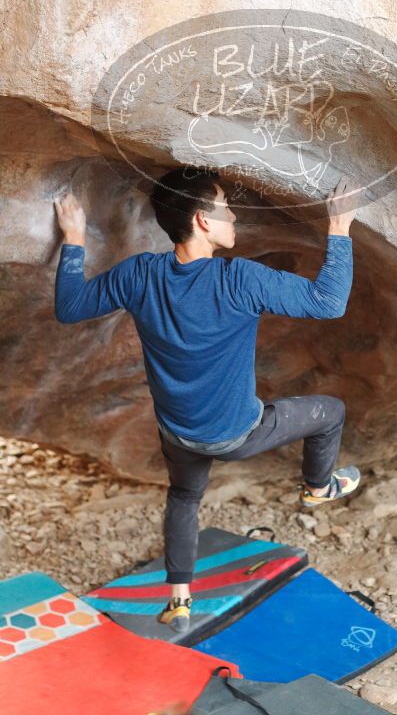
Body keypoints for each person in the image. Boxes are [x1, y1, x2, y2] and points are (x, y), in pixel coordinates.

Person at [54, 166, 360, 634]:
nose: (233, 216)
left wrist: (73, 237)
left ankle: (179, 601)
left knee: (183, 495)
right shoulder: (238, 279)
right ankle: (318, 488)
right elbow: (329, 302)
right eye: (225, 208)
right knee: (331, 412)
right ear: (201, 220)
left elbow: (70, 306)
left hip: (178, 432)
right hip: (236, 435)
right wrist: (339, 228)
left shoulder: (142, 274)